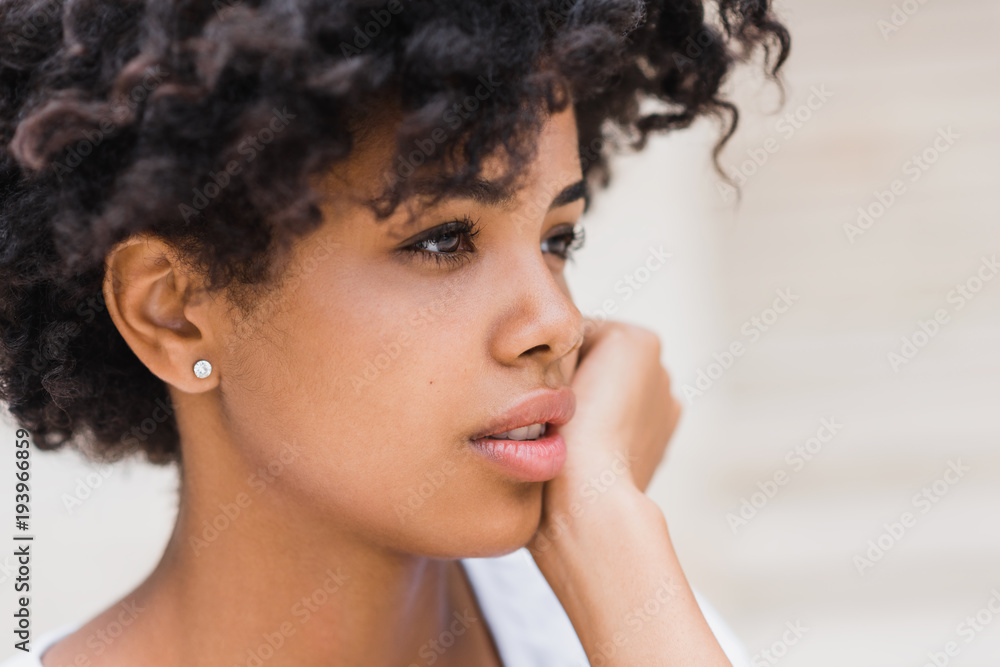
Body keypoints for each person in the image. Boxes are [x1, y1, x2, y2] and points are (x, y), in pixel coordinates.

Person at [0, 0, 789, 664]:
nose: (558, 322)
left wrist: (614, 542)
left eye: (557, 239)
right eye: (442, 240)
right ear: (172, 313)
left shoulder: (625, 619)